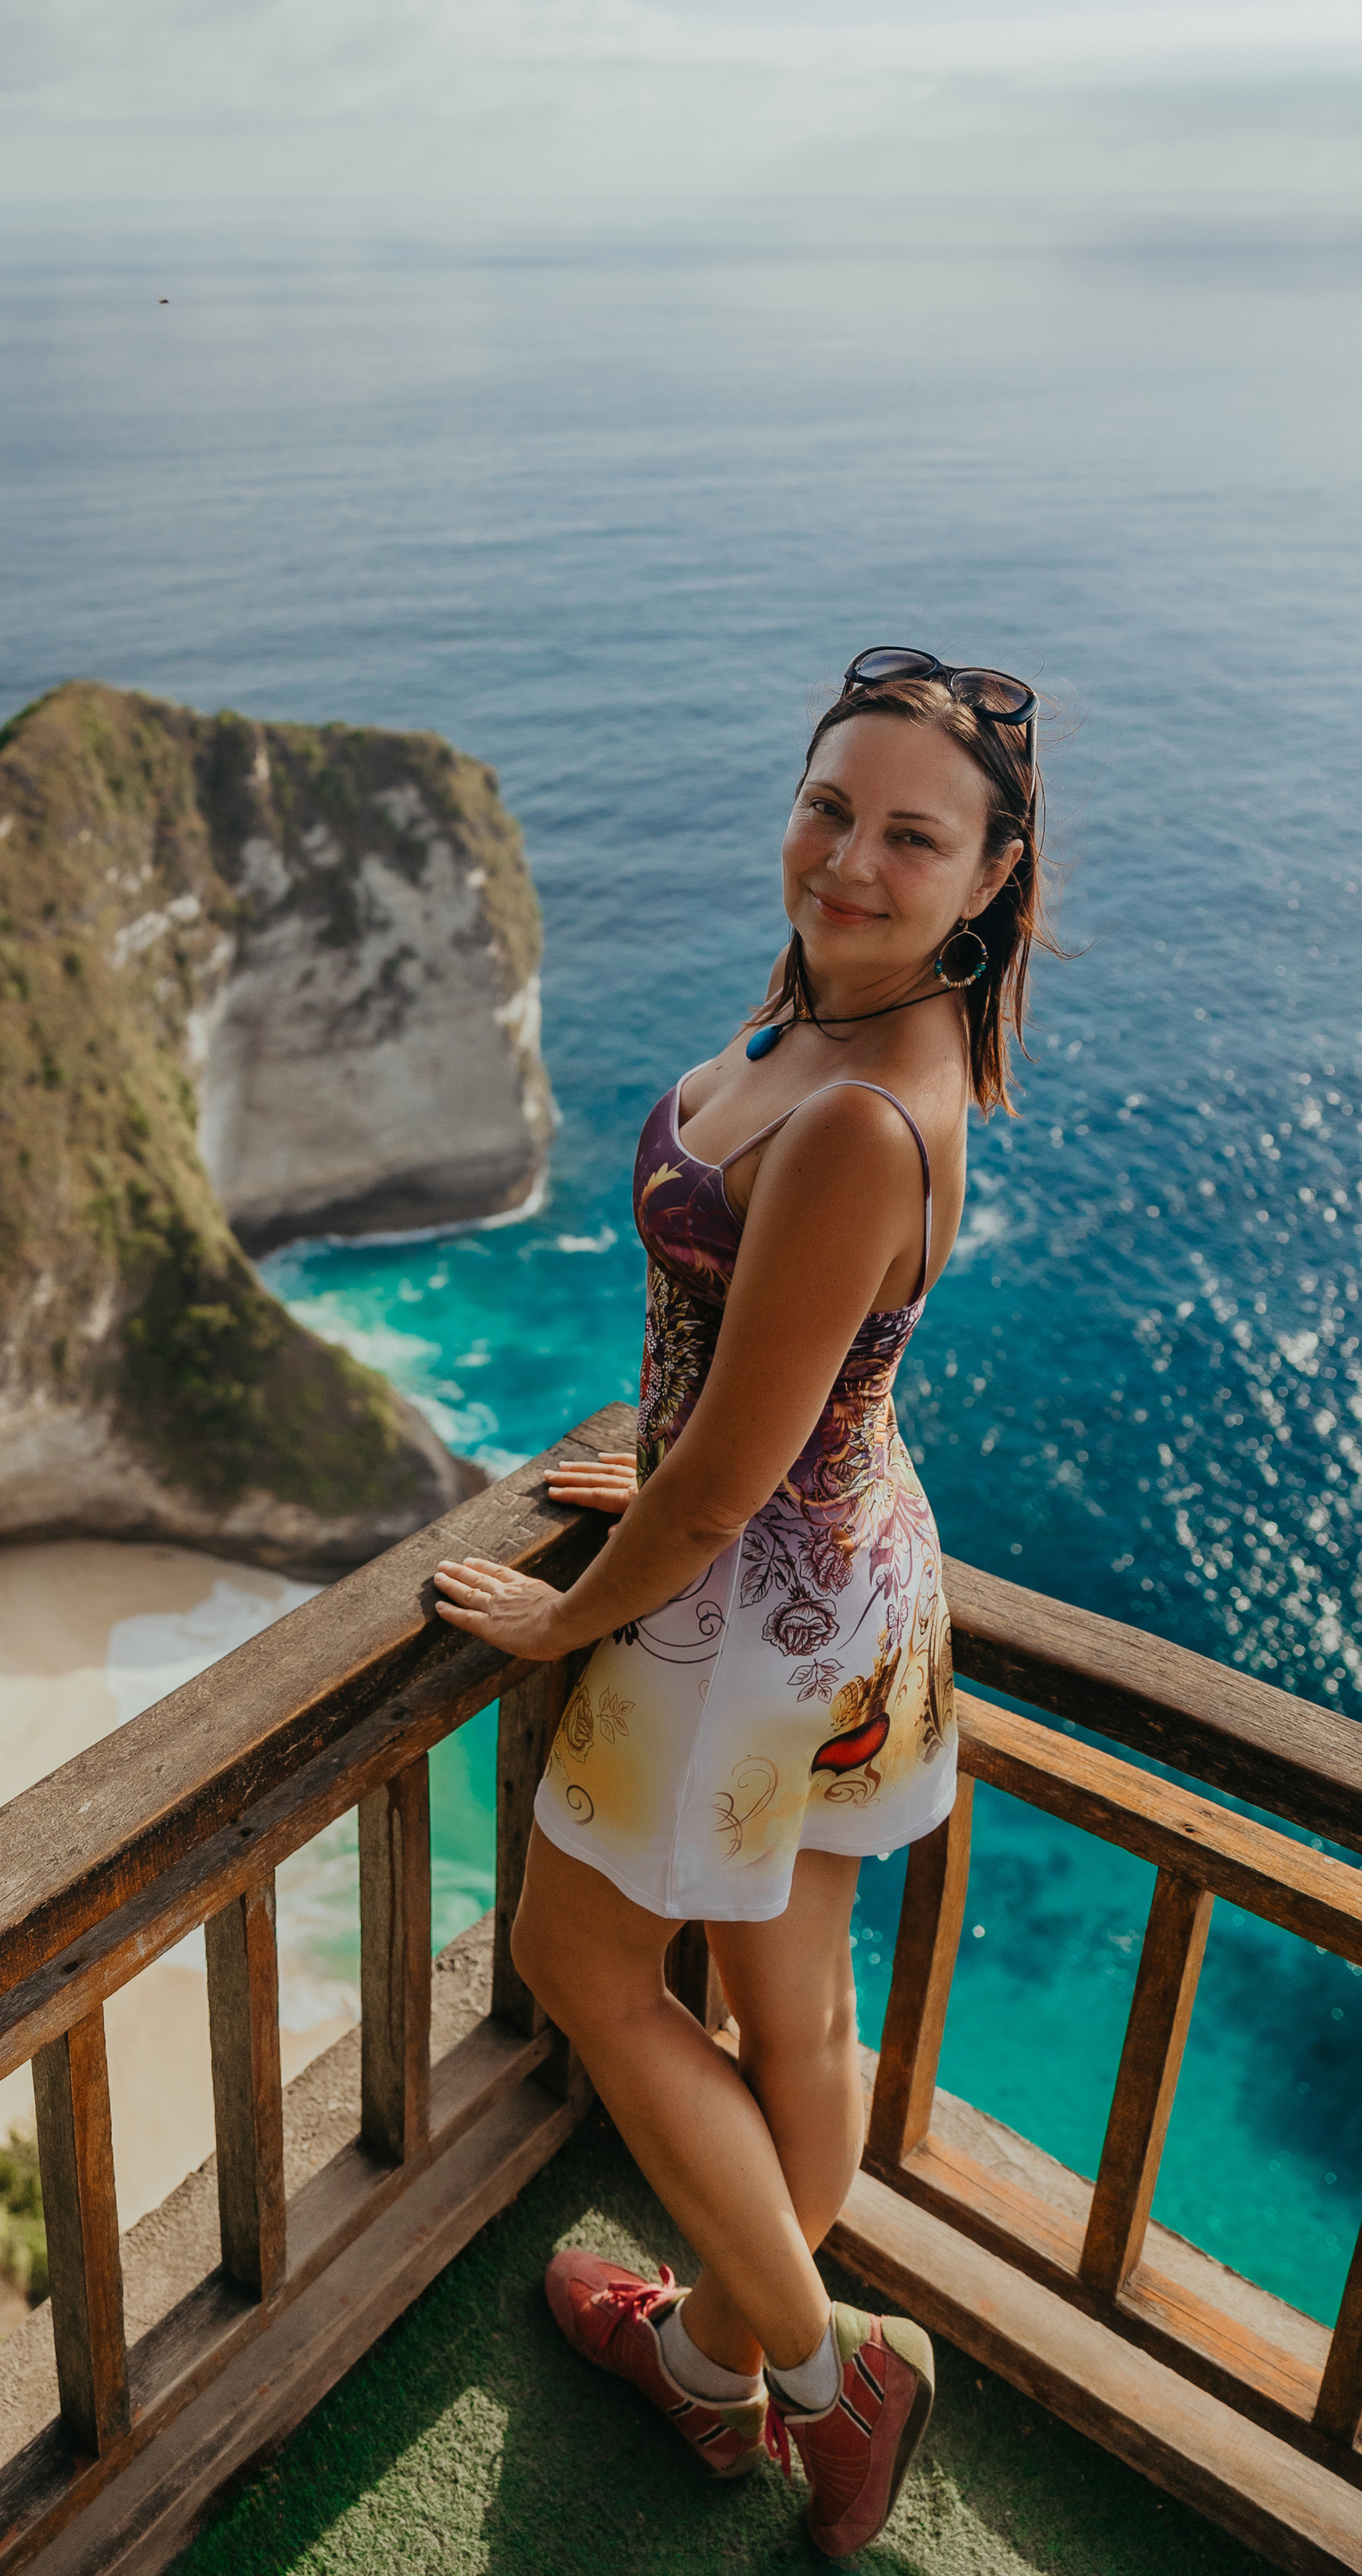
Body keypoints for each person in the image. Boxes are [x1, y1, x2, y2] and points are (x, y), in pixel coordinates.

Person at [433, 648, 1048, 2560]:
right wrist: (693, 1431)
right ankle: (709, 2364)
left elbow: (710, 1494)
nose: (849, 859)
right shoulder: (843, 1016)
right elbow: (749, 1392)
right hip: (851, 1577)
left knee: (579, 1969)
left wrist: (558, 1623)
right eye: (828, 807)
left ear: (989, 879)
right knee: (789, 2006)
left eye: (908, 838)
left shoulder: (864, 1114)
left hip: (742, 1627)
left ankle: (823, 2363)